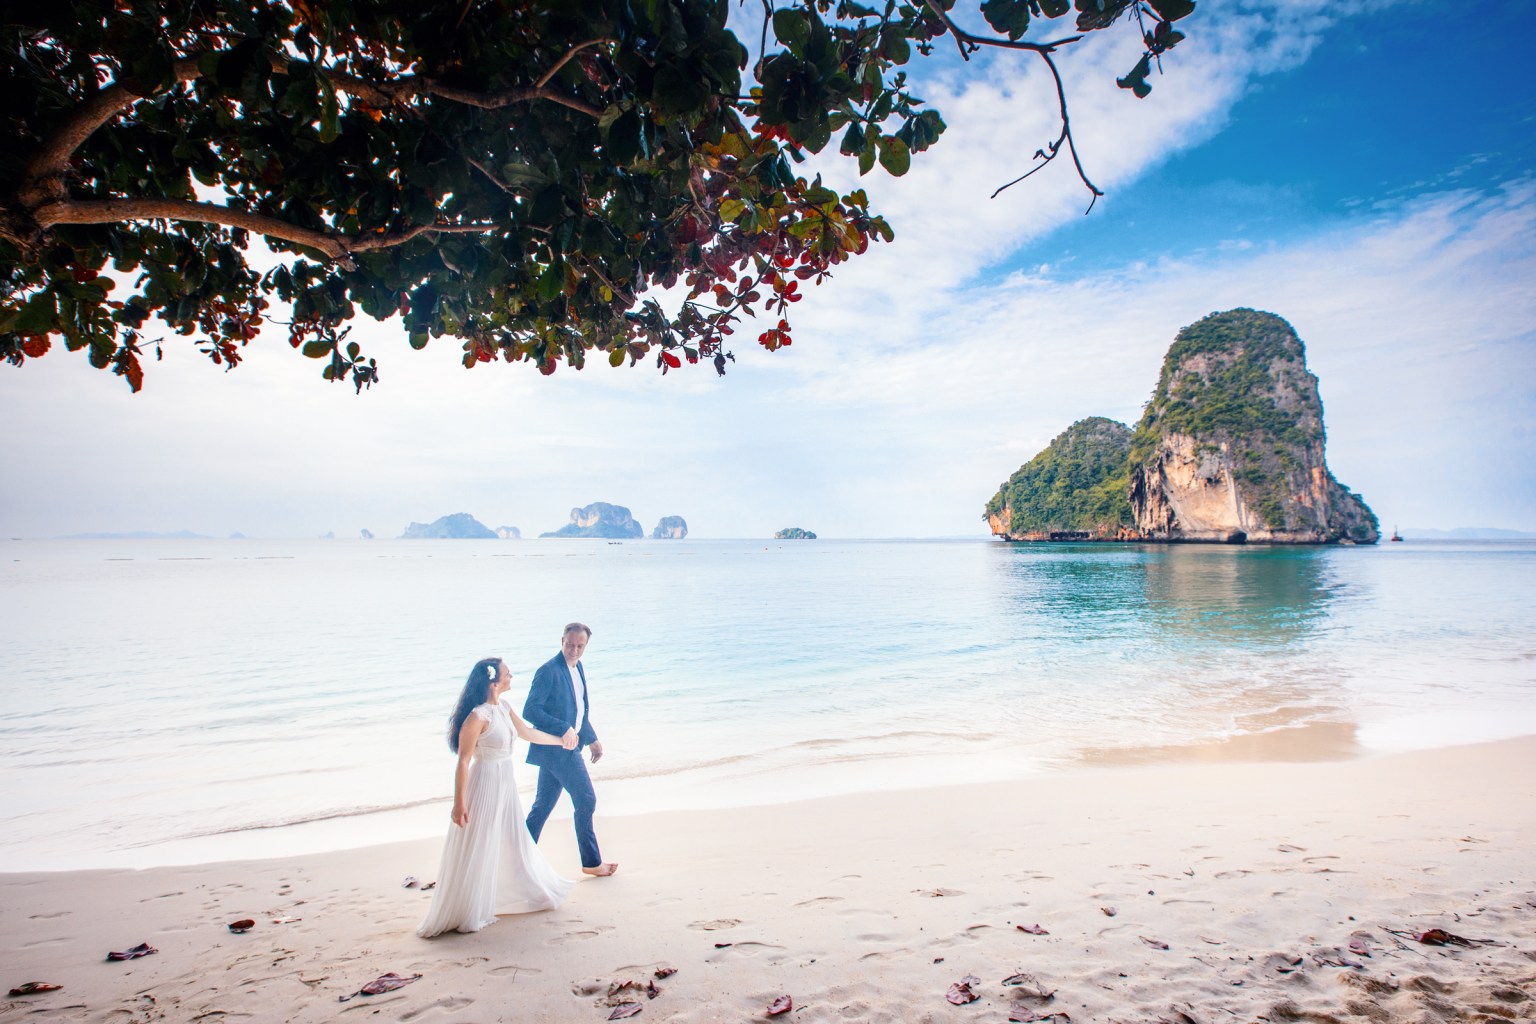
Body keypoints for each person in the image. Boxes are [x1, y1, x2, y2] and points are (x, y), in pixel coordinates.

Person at [417, 657, 576, 938]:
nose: (511, 676)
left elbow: (527, 733)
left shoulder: (503, 707)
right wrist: (459, 803)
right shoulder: (478, 716)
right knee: (482, 840)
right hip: (486, 782)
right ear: (493, 682)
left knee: (512, 838)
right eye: (507, 673)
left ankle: (519, 891)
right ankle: (470, 907)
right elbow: (463, 762)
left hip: (505, 782)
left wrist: (561, 740)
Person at [523, 623, 618, 876]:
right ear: (561, 640)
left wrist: (591, 738)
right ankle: (591, 862)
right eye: (569, 644)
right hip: (560, 750)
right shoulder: (548, 671)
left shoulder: (578, 667)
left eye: (580, 646)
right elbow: (530, 710)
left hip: (565, 747)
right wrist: (563, 729)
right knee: (587, 800)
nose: (574, 650)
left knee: (542, 805)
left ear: (586, 645)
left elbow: (578, 711)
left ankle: (517, 855)